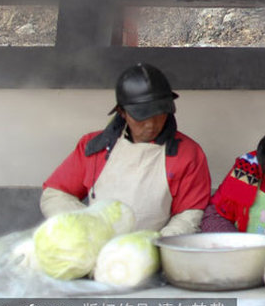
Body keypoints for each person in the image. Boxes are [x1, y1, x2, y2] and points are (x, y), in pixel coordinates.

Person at [41, 63, 211, 236]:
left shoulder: (188, 153)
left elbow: (189, 213)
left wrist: (159, 244)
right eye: (141, 117)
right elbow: (56, 194)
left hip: (155, 250)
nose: (151, 125)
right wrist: (86, 225)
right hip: (96, 248)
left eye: (159, 114)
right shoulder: (93, 146)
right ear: (122, 112)